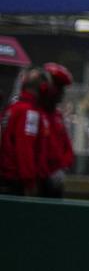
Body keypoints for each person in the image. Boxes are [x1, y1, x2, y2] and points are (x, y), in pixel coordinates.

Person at [1, 63, 75, 198]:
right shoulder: (29, 112)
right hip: (22, 182)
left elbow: (66, 148)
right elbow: (25, 150)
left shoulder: (16, 108)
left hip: (31, 180)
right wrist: (30, 183)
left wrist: (61, 168)